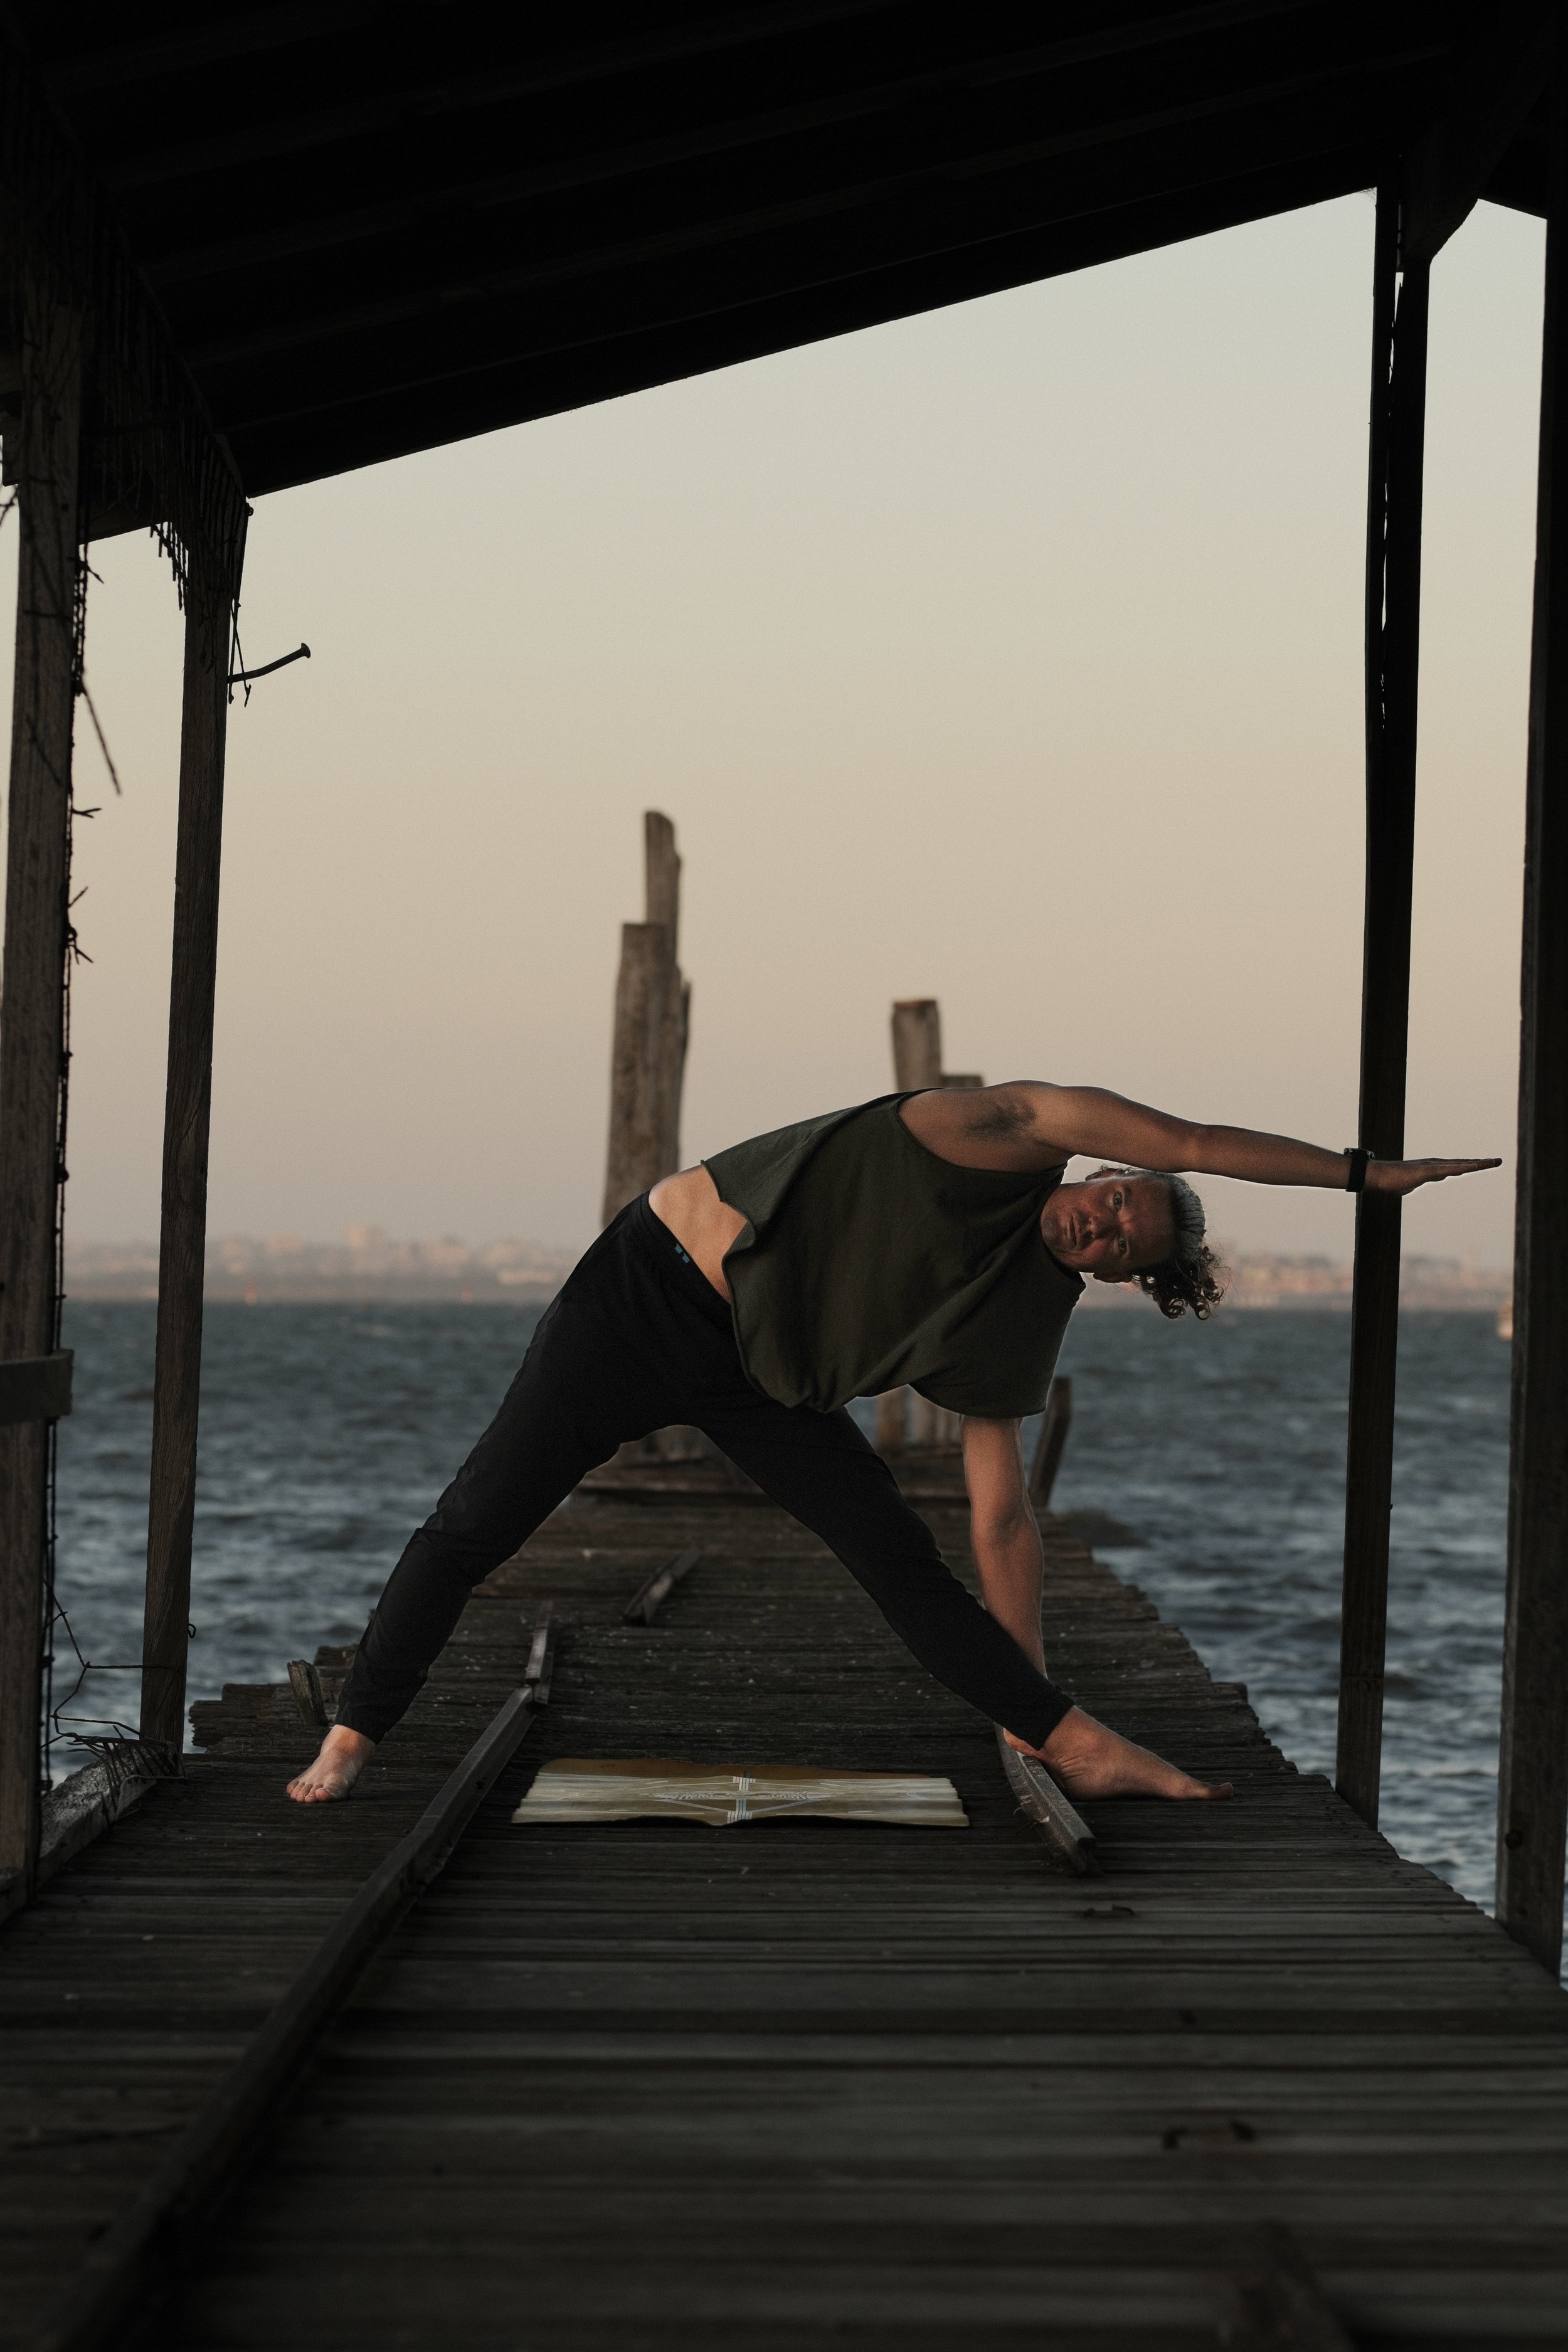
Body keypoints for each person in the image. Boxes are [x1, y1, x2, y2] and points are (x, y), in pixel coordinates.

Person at [287, 1081, 1497, 1806]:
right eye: (1120, 1197)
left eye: (1121, 1246)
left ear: (1112, 1275)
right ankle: (356, 1732)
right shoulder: (1003, 1129)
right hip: (646, 1293)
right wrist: (1359, 1173)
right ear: (1111, 1168)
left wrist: (1025, 1701)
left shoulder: (1024, 1320)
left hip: (767, 1378)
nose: (1105, 1223)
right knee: (478, 1520)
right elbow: (1191, 1136)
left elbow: (1002, 1515)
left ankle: (1072, 1743)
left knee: (898, 1558)